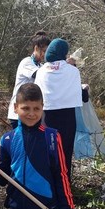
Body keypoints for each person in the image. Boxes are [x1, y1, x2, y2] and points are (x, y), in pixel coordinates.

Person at [34, 38, 84, 179]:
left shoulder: (42, 71)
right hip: (67, 117)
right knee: (65, 151)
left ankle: (48, 184)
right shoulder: (72, 71)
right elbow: (80, 94)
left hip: (46, 116)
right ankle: (64, 183)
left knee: (48, 150)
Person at [8, 31, 51, 128]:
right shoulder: (26, 62)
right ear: (36, 48)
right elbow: (39, 75)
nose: (45, 55)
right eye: (44, 51)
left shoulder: (41, 66)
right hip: (20, 113)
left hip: (31, 112)